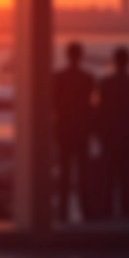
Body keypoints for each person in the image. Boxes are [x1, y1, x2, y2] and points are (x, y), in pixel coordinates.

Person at [95, 47, 129, 219]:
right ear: (128, 61)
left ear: (114, 60)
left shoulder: (106, 83)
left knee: (109, 175)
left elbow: (100, 111)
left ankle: (107, 210)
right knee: (127, 175)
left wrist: (100, 133)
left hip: (110, 135)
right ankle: (127, 210)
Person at [53, 41, 95, 221]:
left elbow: (52, 104)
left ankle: (63, 212)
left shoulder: (58, 78)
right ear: (81, 55)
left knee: (64, 172)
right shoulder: (88, 78)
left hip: (64, 129)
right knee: (83, 173)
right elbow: (91, 106)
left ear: (67, 55)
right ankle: (86, 210)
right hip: (82, 130)